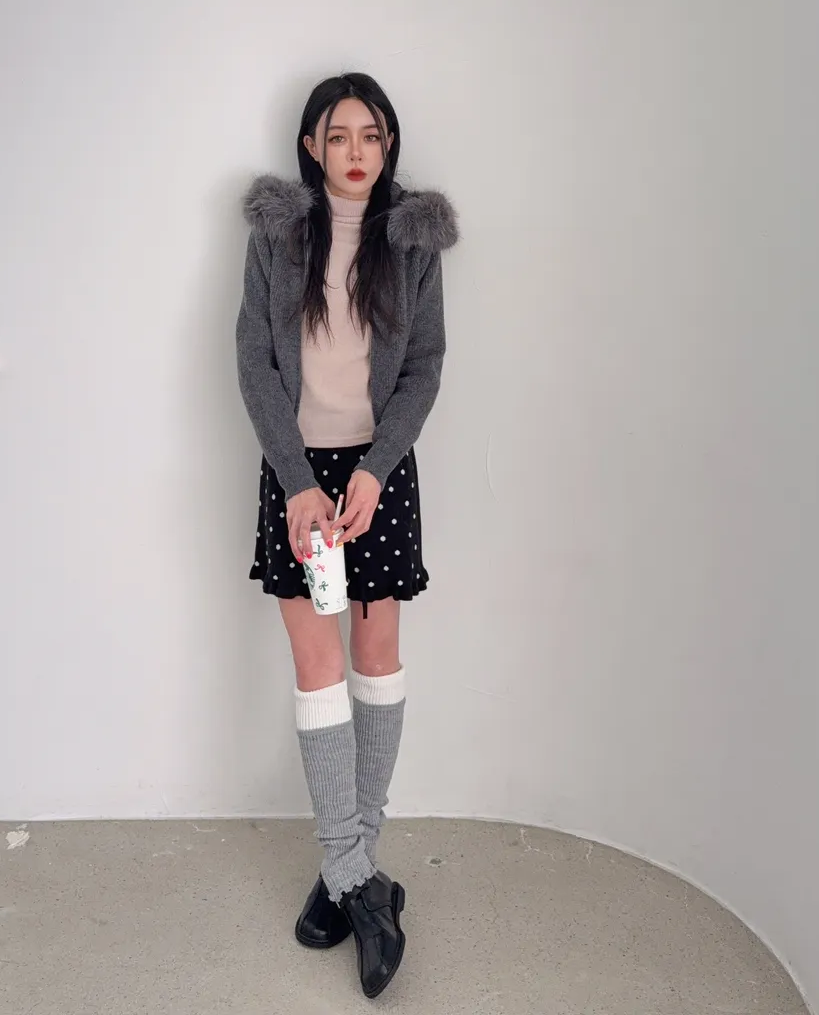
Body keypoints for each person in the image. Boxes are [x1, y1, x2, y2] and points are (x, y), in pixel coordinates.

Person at [236, 71, 459, 999]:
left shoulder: (411, 242)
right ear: (311, 147)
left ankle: (348, 872)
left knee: (374, 655)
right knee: (315, 664)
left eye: (370, 135)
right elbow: (254, 360)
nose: (356, 151)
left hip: (379, 473)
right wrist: (298, 484)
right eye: (338, 136)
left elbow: (423, 368)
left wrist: (371, 472)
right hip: (296, 476)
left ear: (388, 144)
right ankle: (358, 878)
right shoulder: (277, 235)